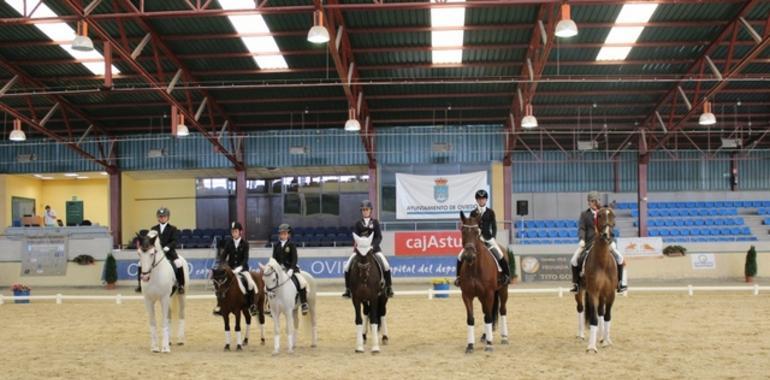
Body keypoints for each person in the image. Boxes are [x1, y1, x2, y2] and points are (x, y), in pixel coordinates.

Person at [569, 191, 626, 294]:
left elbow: (610, 225)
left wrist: (611, 239)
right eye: (592, 201)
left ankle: (619, 283)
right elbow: (582, 228)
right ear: (588, 202)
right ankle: (576, 284)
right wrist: (582, 239)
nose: (594, 203)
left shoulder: (604, 212)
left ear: (599, 201)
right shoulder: (584, 215)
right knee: (574, 260)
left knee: (620, 258)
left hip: (605, 241)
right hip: (589, 242)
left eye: (596, 201)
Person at [454, 189, 510, 287]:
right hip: (476, 239)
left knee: (500, 254)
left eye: (483, 199)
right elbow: (470, 225)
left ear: (486, 200)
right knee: (460, 256)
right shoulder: (473, 213)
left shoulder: (490, 212)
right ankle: (459, 278)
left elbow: (494, 226)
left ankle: (506, 276)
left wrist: (493, 237)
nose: (481, 201)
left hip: (488, 238)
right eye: (479, 199)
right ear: (477, 200)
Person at [342, 200, 394, 299]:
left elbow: (379, 237)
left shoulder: (375, 223)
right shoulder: (358, 224)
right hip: (360, 250)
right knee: (347, 266)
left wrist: (373, 246)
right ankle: (348, 289)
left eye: (367, 209)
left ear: (370, 211)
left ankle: (389, 287)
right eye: (363, 210)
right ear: (362, 211)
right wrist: (360, 247)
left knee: (386, 265)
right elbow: (356, 237)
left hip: (374, 249)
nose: (365, 211)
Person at [135, 207, 186, 294]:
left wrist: (168, 247)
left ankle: (181, 285)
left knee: (178, 263)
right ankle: (140, 284)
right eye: (160, 216)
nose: (162, 218)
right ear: (158, 217)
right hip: (156, 253)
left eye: (164, 216)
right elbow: (149, 240)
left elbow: (175, 241)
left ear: (168, 217)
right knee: (140, 263)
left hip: (169, 252)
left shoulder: (173, 228)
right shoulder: (153, 228)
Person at [213, 222, 257, 316]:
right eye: (232, 231)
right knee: (221, 285)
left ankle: (252, 305)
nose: (234, 233)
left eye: (236, 231)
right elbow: (223, 256)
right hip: (230, 270)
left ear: (240, 232)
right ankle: (220, 305)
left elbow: (245, 259)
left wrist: (239, 268)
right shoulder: (229, 243)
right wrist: (223, 266)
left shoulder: (245, 244)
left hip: (242, 270)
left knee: (250, 283)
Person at [272, 223, 309, 314]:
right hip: (279, 270)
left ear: (288, 234)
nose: (283, 235)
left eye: (284, 233)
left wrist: (291, 269)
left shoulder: (291, 245)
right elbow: (273, 259)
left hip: (290, 268)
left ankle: (304, 303)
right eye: (281, 234)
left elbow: (294, 258)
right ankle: (269, 305)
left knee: (301, 282)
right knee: (270, 283)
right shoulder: (276, 245)